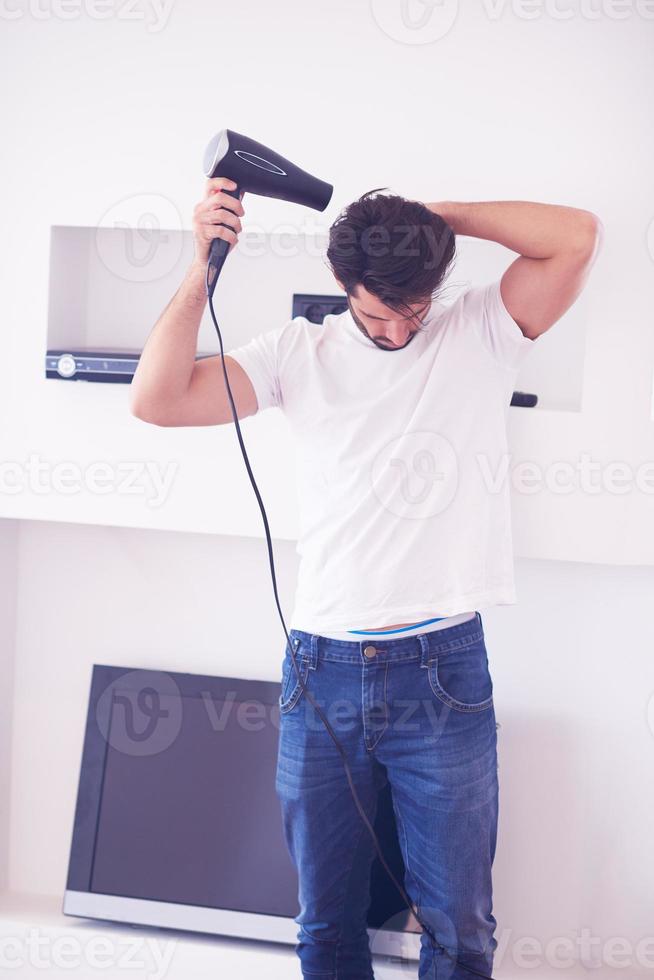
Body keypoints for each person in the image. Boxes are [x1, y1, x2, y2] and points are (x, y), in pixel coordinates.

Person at [129, 179, 602, 979]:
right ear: (343, 287)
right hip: (322, 676)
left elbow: (576, 235)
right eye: (376, 311)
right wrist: (202, 268)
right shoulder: (295, 353)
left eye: (412, 307)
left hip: (442, 672)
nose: (397, 328)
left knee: (459, 925)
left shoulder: (479, 330)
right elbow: (158, 399)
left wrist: (429, 219)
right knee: (326, 923)